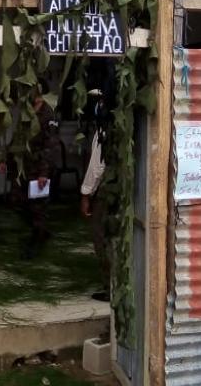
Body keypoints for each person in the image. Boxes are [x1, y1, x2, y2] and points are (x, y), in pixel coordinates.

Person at [5, 79, 61, 260]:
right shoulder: (26, 112)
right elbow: (17, 138)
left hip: (39, 170)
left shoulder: (49, 114)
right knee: (17, 202)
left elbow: (50, 146)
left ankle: (34, 246)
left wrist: (44, 173)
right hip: (23, 169)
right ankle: (40, 231)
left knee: (38, 208)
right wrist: (6, 159)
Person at [80, 90, 110, 302]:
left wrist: (85, 194)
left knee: (102, 237)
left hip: (105, 191)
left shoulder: (104, 129)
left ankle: (110, 287)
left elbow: (97, 166)